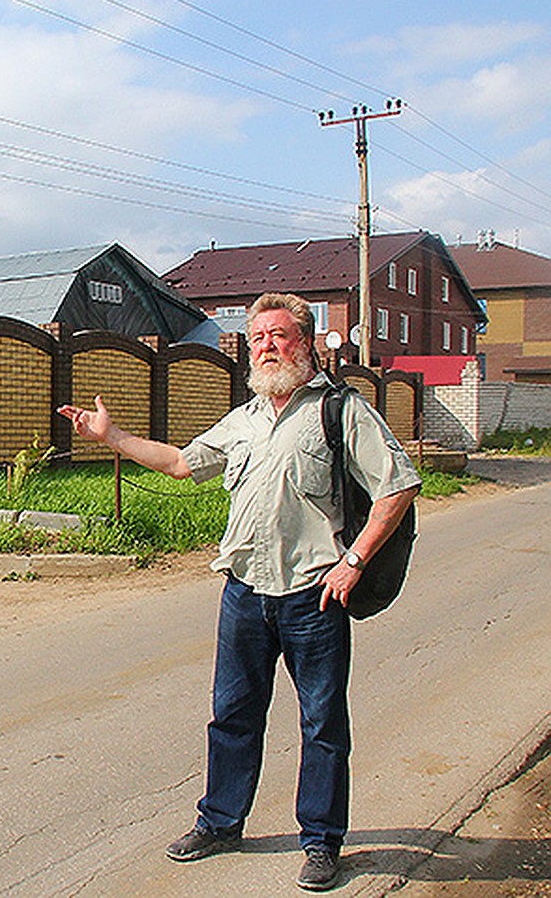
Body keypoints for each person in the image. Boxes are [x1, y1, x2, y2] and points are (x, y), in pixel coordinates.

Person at [57, 292, 421, 891]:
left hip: (315, 594)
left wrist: (353, 562)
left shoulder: (341, 410)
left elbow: (397, 488)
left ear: (305, 343)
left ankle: (322, 841)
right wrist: (113, 435)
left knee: (322, 722)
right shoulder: (245, 417)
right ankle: (221, 821)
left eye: (279, 335)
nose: (268, 346)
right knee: (231, 716)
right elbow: (180, 463)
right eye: (258, 338)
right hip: (245, 593)